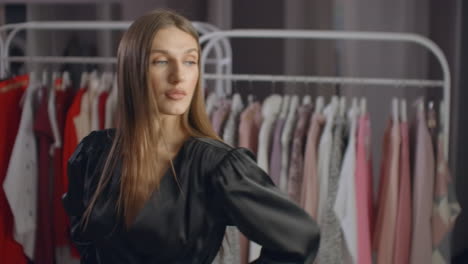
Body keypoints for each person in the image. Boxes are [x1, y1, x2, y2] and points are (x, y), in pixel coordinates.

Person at [62, 9, 320, 264]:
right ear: (133, 68)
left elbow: (299, 240)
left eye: (190, 61)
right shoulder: (93, 153)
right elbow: (83, 237)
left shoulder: (218, 166)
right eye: (161, 61)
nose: (178, 76)